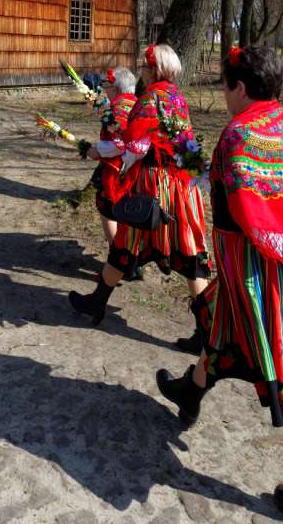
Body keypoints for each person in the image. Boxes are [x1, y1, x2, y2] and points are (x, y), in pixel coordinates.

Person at [156, 45, 283, 524]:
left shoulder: (239, 133)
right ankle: (190, 390)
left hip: (259, 281)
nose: (223, 95)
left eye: (224, 85)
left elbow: (245, 209)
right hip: (281, 273)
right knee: (222, 337)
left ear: (240, 87)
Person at [69, 43, 210, 345]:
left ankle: (97, 302)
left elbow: (127, 143)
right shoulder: (177, 98)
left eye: (144, 68)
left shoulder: (148, 101)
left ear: (152, 70)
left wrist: (98, 151)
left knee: (126, 242)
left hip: (153, 183)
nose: (142, 73)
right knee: (189, 253)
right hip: (182, 186)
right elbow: (181, 142)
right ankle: (205, 330)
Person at [87, 66, 138, 260]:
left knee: (107, 209)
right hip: (136, 168)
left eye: (107, 86)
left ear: (115, 89)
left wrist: (97, 150)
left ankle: (120, 258)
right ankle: (132, 256)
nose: (105, 90)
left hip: (117, 170)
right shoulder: (137, 103)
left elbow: (119, 142)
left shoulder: (118, 108)